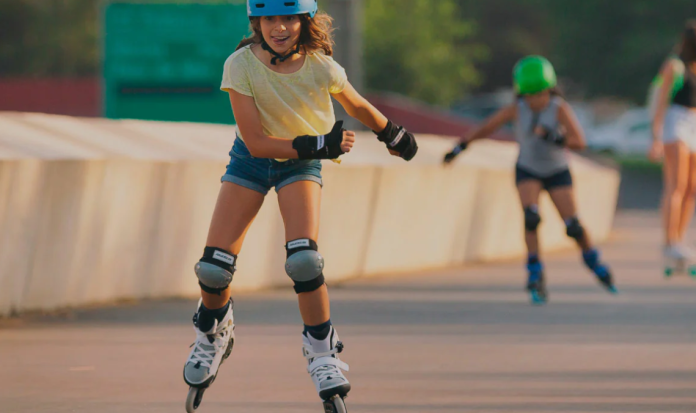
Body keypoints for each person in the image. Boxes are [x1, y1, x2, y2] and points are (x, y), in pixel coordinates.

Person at [182, 0, 418, 411]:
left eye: (289, 18)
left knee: (304, 260)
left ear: (303, 21)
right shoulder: (240, 65)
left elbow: (356, 103)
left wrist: (392, 133)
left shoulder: (320, 66)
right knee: (213, 268)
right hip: (251, 162)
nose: (280, 27)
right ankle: (213, 329)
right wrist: (319, 144)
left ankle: (322, 351)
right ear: (257, 22)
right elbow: (255, 141)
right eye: (270, 19)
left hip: (301, 167)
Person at [443, 55, 616, 304]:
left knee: (573, 226)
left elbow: (580, 142)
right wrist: (461, 146)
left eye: (540, 94)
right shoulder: (517, 108)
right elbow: (488, 127)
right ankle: (535, 272)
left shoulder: (558, 108)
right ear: (521, 94)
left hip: (557, 170)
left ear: (550, 90)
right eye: (530, 95)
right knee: (531, 217)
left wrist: (555, 138)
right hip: (528, 169)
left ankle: (593, 261)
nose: (535, 100)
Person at [648, 20, 696, 276]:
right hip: (674, 122)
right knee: (676, 185)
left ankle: (680, 239)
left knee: (691, 188)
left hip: (694, 123)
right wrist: (655, 137)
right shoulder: (674, 66)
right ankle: (669, 242)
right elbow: (661, 101)